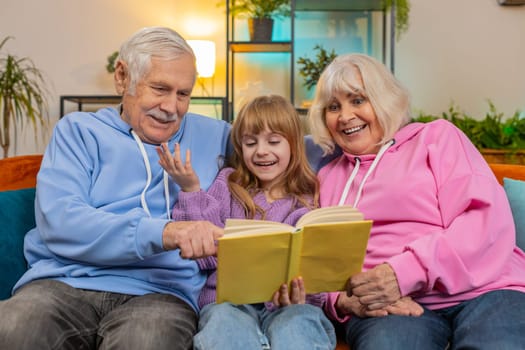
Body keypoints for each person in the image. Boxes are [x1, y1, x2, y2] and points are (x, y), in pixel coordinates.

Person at [0, 26, 231, 350]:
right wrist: (168, 232)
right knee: (14, 327)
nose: (171, 107)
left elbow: (289, 147)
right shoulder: (78, 131)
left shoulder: (215, 134)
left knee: (147, 341)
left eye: (183, 94)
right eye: (160, 88)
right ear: (123, 77)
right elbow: (61, 221)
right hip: (62, 283)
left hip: (162, 293)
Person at [307, 53, 525, 349]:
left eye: (358, 100)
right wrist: (341, 301)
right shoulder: (326, 178)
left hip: (487, 288)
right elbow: (320, 261)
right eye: (333, 107)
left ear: (384, 100)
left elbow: (484, 221)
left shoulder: (436, 138)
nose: (345, 116)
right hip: (391, 306)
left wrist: (404, 272)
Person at [157, 94, 337, 350]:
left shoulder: (309, 200)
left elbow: (316, 271)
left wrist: (301, 294)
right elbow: (205, 255)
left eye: (273, 141)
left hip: (288, 307)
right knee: (222, 326)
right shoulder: (229, 185)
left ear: (294, 145)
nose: (261, 151)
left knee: (299, 326)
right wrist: (191, 188)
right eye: (251, 143)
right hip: (228, 302)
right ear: (241, 148)